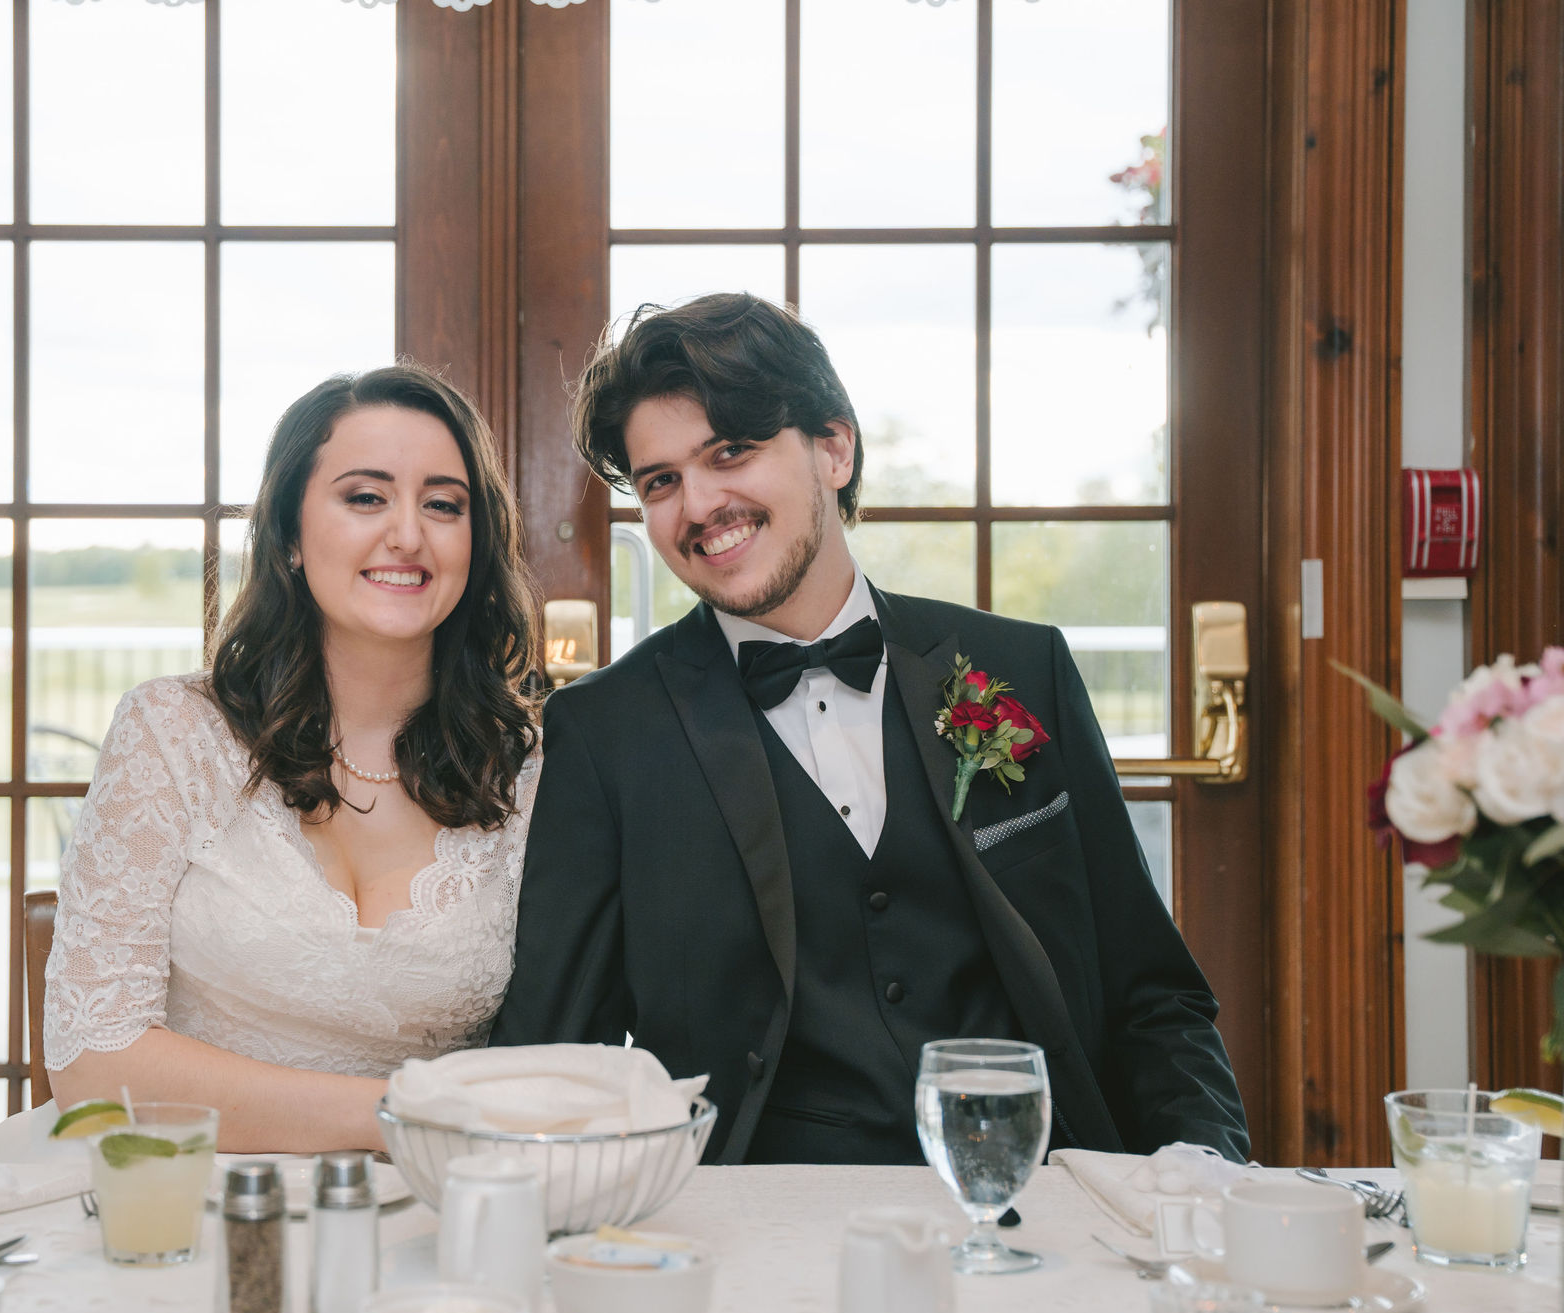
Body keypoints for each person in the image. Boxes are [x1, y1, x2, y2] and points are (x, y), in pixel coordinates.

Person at [490, 293, 1248, 1164]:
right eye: (660, 482)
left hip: (1031, 1190)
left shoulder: (1023, 667)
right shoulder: (604, 733)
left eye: (730, 452)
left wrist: (1202, 1175)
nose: (697, 505)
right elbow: (553, 1053)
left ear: (834, 449)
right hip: (753, 1214)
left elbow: (1153, 995)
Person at [45, 363, 542, 1153]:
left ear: (474, 544)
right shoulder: (172, 732)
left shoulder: (531, 769)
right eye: (365, 498)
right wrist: (402, 1116)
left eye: (443, 504)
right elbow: (93, 1060)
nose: (407, 534)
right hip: (183, 1187)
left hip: (437, 1199)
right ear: (288, 538)